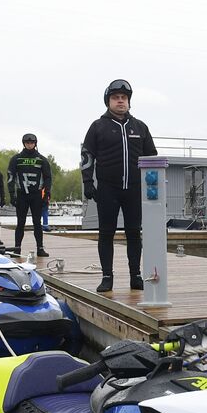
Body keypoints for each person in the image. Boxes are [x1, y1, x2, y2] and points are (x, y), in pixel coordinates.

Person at [81, 78, 157, 293]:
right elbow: (87, 155)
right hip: (108, 188)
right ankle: (107, 277)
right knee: (107, 233)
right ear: (108, 101)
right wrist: (88, 181)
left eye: (124, 98)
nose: (120, 101)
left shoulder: (140, 127)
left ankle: (136, 275)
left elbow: (151, 156)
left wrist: (152, 185)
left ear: (129, 102)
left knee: (134, 232)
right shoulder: (98, 126)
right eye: (116, 98)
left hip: (134, 188)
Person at [8, 132, 52, 257]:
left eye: (31, 143)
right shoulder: (16, 159)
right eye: (27, 143)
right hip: (22, 194)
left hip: (36, 195)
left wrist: (46, 194)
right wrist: (12, 194)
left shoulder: (42, 160)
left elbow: (48, 178)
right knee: (20, 222)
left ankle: (40, 248)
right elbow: (10, 177)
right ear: (24, 144)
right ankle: (17, 249)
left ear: (35, 144)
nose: (29, 145)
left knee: (37, 222)